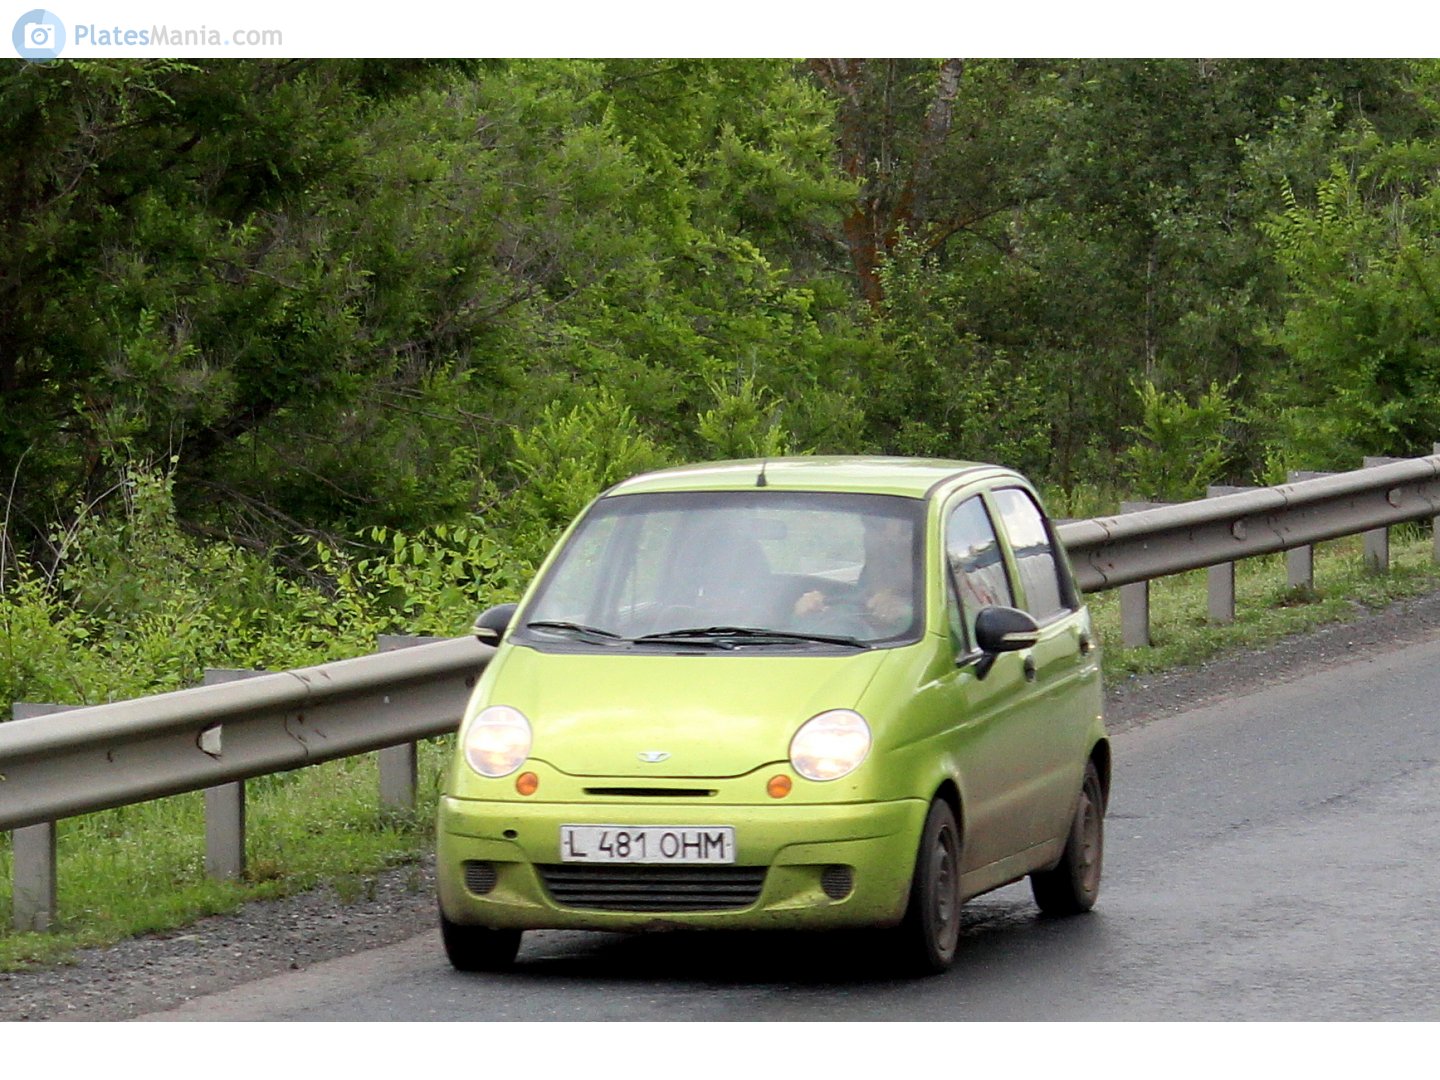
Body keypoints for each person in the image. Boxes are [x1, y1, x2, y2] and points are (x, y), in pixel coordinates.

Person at [792, 515, 913, 637]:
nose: (887, 541)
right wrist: (803, 615)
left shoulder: (924, 617)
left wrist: (904, 616)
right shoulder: (843, 602)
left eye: (893, 563)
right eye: (876, 527)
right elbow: (789, 645)